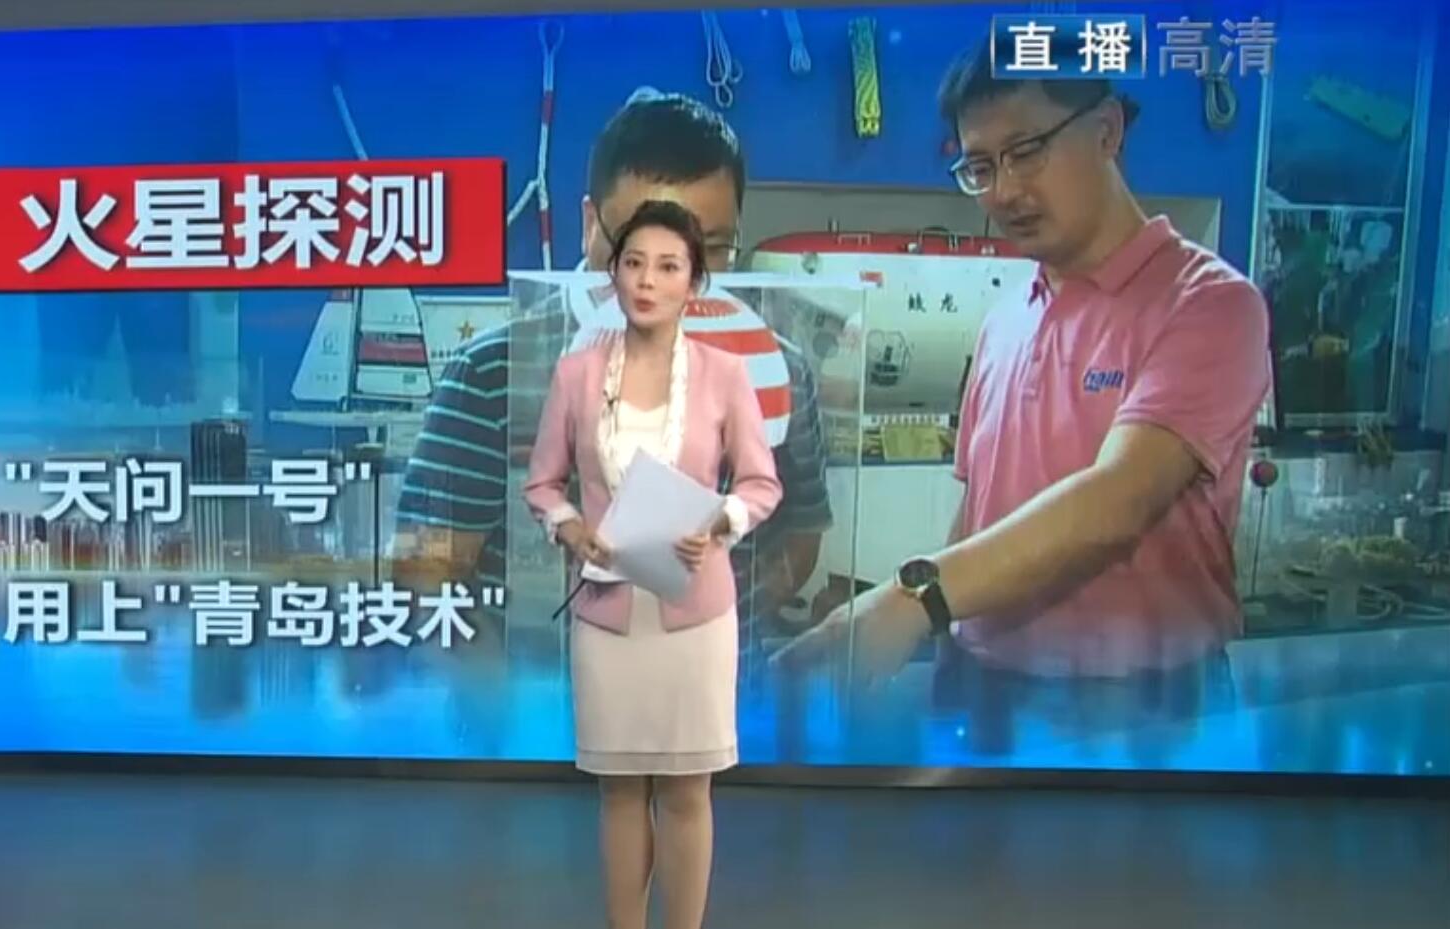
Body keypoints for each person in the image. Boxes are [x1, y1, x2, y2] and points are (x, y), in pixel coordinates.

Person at [774, 49, 1270, 729]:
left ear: (1106, 131)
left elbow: (1118, 501)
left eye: (1026, 152)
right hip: (980, 690)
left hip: (1141, 706)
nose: (1003, 191)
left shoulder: (1208, 304)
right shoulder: (1004, 320)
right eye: (980, 167)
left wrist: (913, 598)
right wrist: (934, 635)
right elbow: (976, 514)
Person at [391, 90, 831, 653]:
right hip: (543, 697)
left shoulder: (777, 371)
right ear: (589, 224)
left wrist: (707, 629)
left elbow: (798, 538)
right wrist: (507, 691)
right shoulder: (491, 373)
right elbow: (423, 575)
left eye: (711, 248)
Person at [524, 199, 782, 929]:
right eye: (633, 263)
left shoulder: (724, 374)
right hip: (606, 613)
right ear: (612, 273)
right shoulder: (576, 374)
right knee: (617, 787)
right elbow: (541, 485)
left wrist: (719, 521)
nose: (646, 281)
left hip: (693, 611)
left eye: (668, 267)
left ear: (693, 283)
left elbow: (760, 484)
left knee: (686, 789)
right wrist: (571, 527)